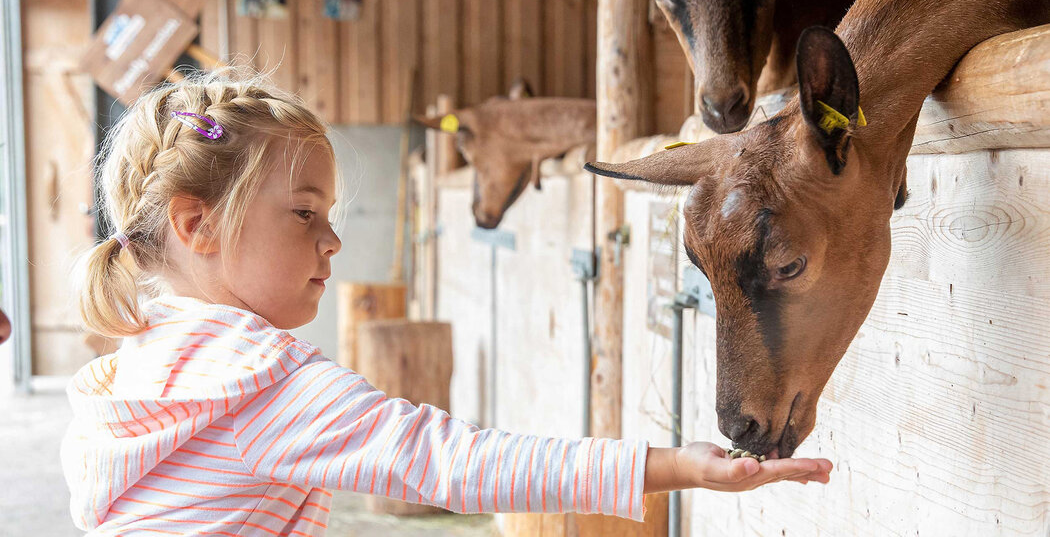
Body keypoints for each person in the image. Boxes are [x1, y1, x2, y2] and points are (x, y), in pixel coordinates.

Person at [62, 69, 832, 535]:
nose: (332, 240)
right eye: (303, 212)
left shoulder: (141, 364)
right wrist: (673, 465)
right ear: (198, 225)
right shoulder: (255, 378)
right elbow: (454, 462)